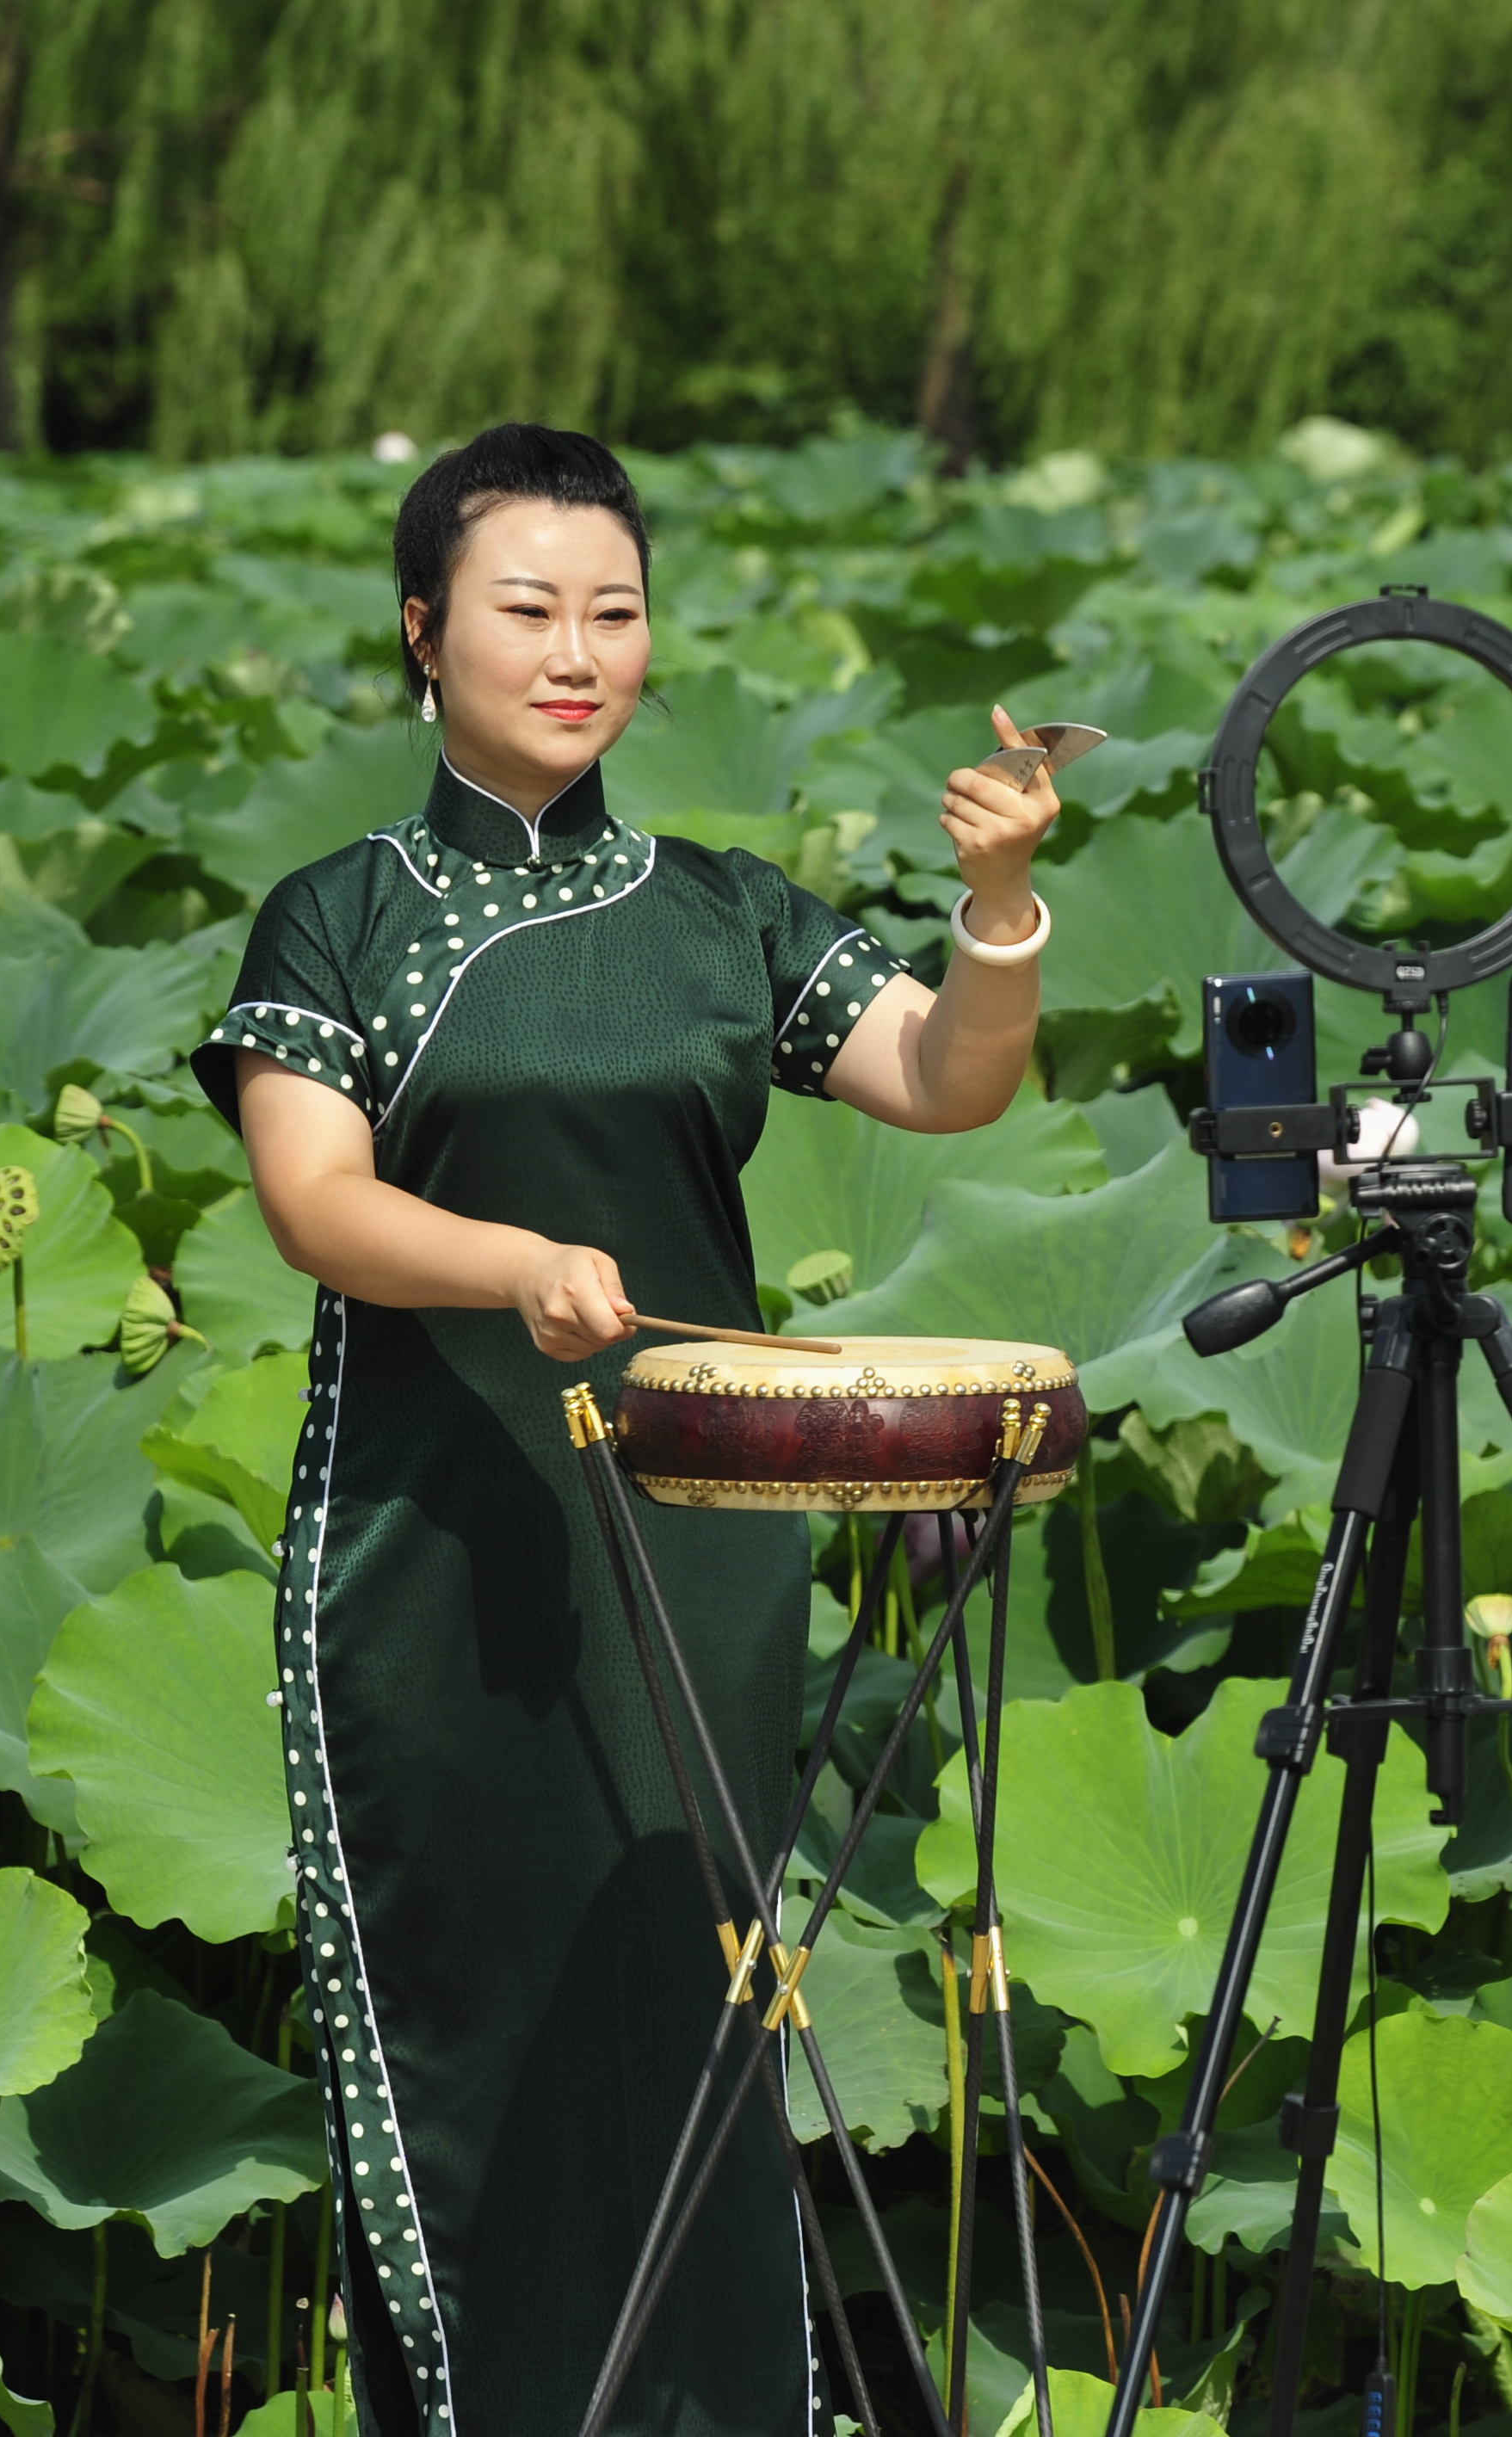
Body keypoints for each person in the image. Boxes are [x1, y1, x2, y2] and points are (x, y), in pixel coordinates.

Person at [193, 423, 1059, 2437]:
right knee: (478, 2040)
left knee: (689, 2030)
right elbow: (315, 1201)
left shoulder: (720, 909)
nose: (578, 651)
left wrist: (998, 906)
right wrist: (504, 1257)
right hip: (436, 1548)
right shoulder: (337, 918)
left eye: (615, 611)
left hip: (699, 1549)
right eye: (527, 610)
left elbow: (944, 1078)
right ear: (424, 636)